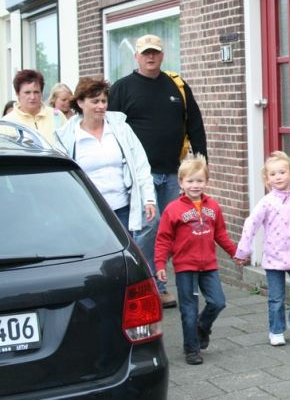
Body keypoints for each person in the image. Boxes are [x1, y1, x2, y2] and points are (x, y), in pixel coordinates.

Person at [109, 34, 208, 308]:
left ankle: (157, 283)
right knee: (147, 228)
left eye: (155, 52)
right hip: (143, 176)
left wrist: (202, 160)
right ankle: (142, 285)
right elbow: (111, 130)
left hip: (173, 172)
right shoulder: (122, 88)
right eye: (145, 53)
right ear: (136, 57)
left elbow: (195, 124)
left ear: (162, 55)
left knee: (169, 230)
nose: (150, 57)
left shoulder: (177, 86)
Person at [154, 155, 236, 366]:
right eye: (190, 181)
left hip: (209, 265)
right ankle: (192, 349)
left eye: (199, 180)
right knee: (189, 309)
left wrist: (235, 253)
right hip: (185, 266)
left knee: (218, 302)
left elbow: (221, 234)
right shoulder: (173, 209)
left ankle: (202, 326)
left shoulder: (213, 207)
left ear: (206, 181)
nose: (195, 185)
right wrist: (160, 264)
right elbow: (163, 239)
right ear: (181, 183)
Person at [234, 151, 290, 346]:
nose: (278, 177)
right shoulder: (266, 202)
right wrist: (243, 251)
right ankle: (276, 330)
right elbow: (251, 224)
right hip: (273, 257)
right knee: (276, 298)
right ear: (267, 179)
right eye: (273, 174)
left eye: (282, 172)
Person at [55, 77, 156, 234]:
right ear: (80, 103)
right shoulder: (66, 137)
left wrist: (148, 198)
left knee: (123, 249)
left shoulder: (121, 129)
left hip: (122, 209)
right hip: (88, 212)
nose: (101, 106)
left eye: (104, 101)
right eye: (95, 101)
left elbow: (140, 164)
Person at [2, 69, 66, 145]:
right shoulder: (7, 123)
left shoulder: (57, 115)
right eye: (27, 92)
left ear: (41, 93)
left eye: (36, 92)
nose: (32, 97)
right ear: (17, 94)